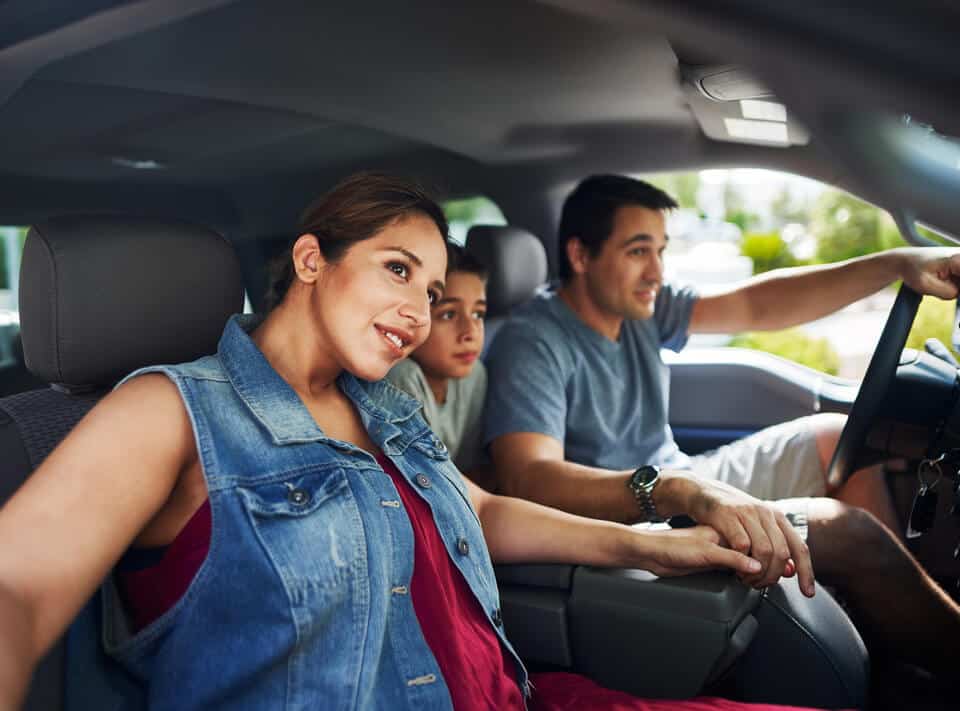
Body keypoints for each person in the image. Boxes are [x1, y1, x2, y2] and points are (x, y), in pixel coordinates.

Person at [0, 172, 827, 711]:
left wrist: (664, 526)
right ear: (312, 259)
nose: (419, 313)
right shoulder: (172, 411)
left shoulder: (385, 404)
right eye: (397, 270)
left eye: (433, 291)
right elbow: (18, 594)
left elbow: (487, 511)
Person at [483, 173, 960, 677]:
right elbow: (527, 477)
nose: (656, 272)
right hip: (627, 517)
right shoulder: (533, 342)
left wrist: (893, 264)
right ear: (580, 256)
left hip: (679, 477)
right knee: (849, 533)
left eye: (661, 251)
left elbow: (757, 304)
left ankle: (882, 631)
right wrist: (671, 490)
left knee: (832, 439)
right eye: (638, 252)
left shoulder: (639, 308)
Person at [386, 244, 496, 491]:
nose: (470, 332)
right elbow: (427, 485)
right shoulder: (401, 377)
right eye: (448, 315)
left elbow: (471, 470)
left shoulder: (474, 374)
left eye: (478, 314)